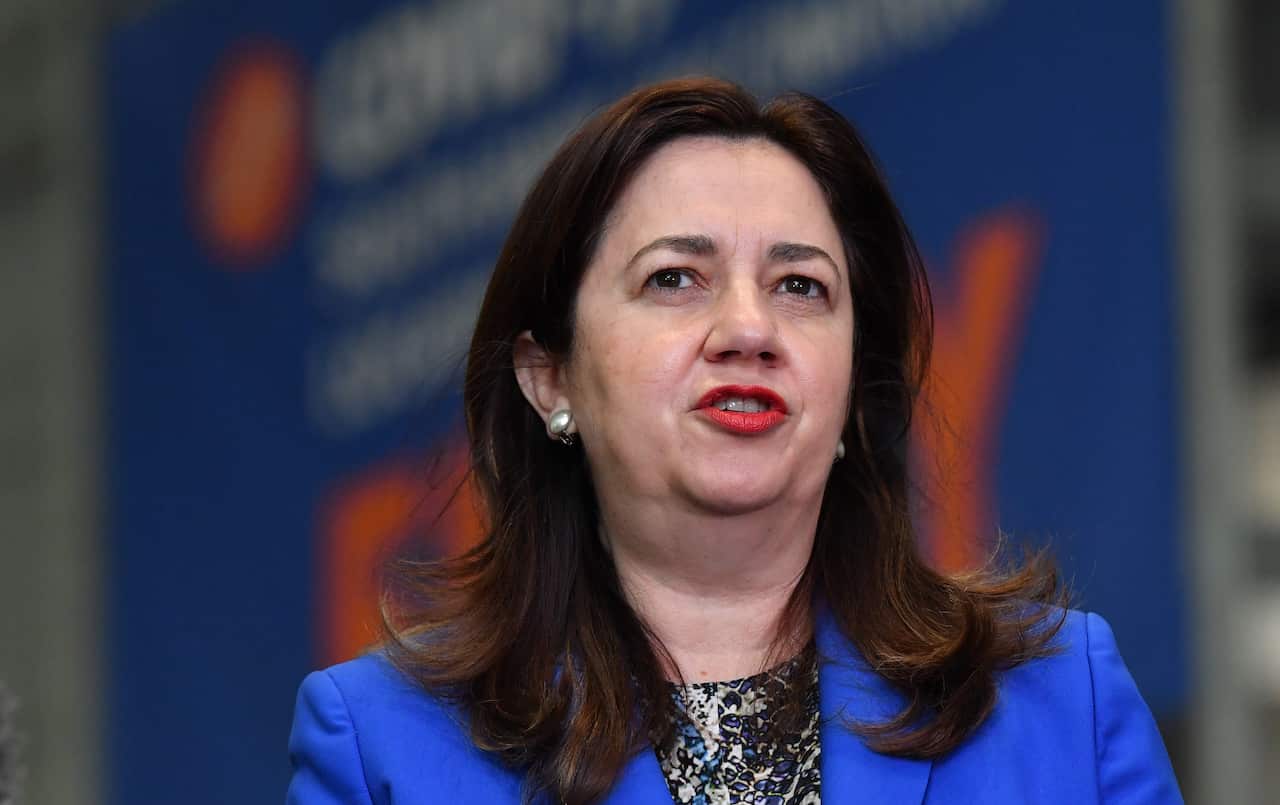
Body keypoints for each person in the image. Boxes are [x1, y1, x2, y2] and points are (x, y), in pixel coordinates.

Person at [286, 77, 1182, 804]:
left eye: (801, 286)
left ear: (853, 385)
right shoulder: (382, 744)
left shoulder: (1063, 699)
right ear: (549, 377)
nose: (749, 327)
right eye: (675, 277)